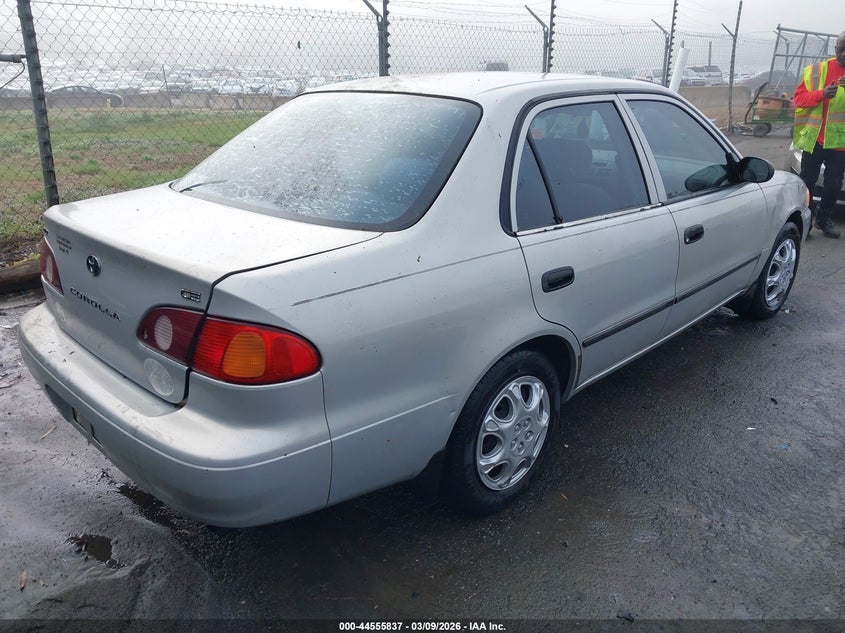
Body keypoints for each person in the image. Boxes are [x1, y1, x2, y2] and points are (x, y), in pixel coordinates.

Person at [792, 30, 845, 239]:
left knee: (833, 184)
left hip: (840, 143)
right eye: (842, 49)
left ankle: (823, 219)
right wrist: (822, 94)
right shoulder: (817, 71)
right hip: (814, 140)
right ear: (835, 49)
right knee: (807, 182)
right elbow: (799, 100)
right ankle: (806, 221)